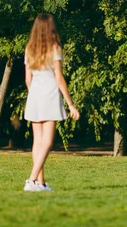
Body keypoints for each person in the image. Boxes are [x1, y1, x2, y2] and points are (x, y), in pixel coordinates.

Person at [23, 13, 80, 192]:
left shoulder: (29, 48)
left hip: (34, 95)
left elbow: (27, 79)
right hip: (49, 94)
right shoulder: (54, 47)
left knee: (37, 141)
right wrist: (70, 104)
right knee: (47, 141)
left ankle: (40, 183)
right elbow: (59, 77)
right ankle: (32, 180)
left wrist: (33, 94)